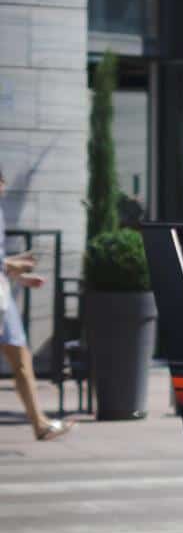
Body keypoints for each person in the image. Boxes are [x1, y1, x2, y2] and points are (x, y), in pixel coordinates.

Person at [0, 180, 69, 442]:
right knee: (21, 360)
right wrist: (18, 264)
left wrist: (21, 276)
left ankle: (40, 423)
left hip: (3, 297)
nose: (4, 187)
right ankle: (39, 423)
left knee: (22, 360)